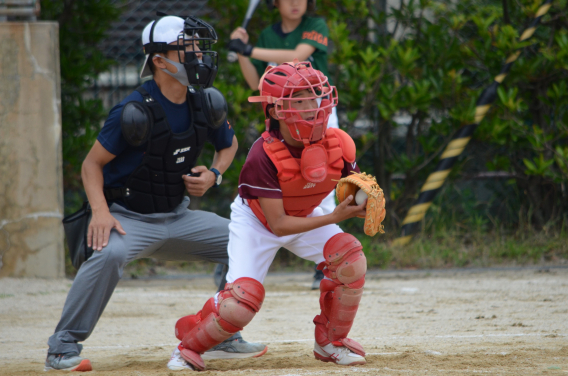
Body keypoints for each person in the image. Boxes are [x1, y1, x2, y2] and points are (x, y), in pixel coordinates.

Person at [44, 15, 266, 372]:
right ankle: (61, 348)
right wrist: (101, 213)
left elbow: (229, 144)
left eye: (198, 48)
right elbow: (91, 166)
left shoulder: (205, 102)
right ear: (160, 61)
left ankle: (222, 333)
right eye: (188, 49)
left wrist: (214, 174)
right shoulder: (133, 111)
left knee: (244, 239)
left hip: (178, 217)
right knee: (108, 254)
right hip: (129, 219)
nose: (199, 56)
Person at [171, 60, 369, 372]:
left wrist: (365, 201)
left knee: (350, 260)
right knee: (240, 303)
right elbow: (278, 225)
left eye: (313, 98)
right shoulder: (262, 154)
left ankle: (330, 341)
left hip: (304, 214)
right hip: (258, 223)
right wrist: (334, 217)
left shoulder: (339, 143)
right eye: (299, 101)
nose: (311, 107)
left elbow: (355, 187)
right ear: (276, 111)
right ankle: (186, 347)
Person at [228, 0, 335, 289]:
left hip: (318, 116)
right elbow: (255, 83)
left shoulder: (315, 26)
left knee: (324, 183)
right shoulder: (266, 36)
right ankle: (253, 252)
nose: (295, 3)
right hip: (285, 121)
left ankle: (323, 263)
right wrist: (241, 54)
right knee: (284, 181)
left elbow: (297, 55)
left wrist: (249, 49)